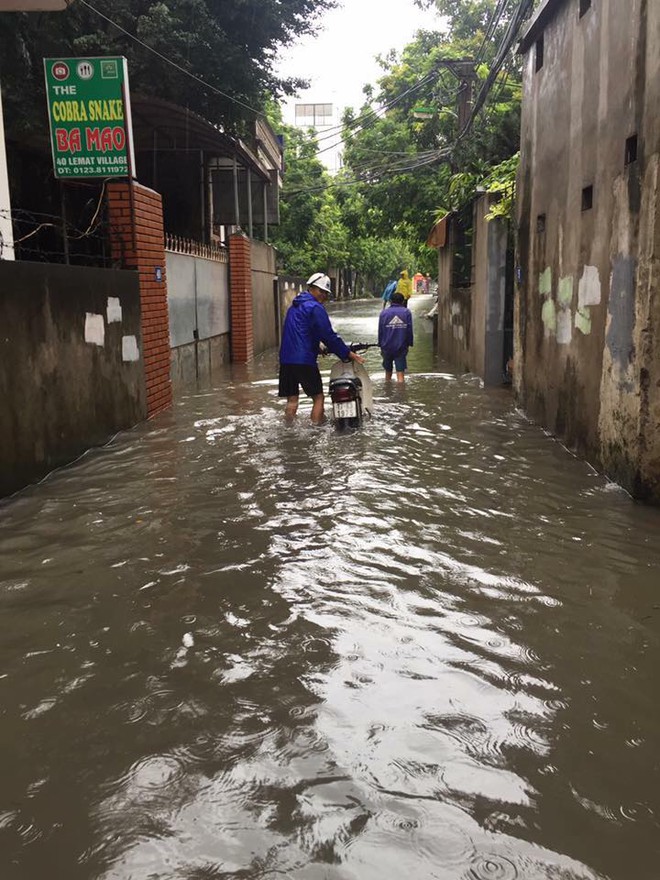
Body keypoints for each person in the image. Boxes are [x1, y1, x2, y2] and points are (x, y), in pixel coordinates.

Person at [279, 272, 365, 425]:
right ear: (311, 289)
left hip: (286, 360)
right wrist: (348, 353)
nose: (324, 295)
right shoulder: (315, 307)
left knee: (292, 400)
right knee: (318, 397)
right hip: (304, 361)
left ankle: (287, 432)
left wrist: (317, 346)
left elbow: (299, 333)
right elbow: (329, 336)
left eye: (326, 293)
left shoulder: (294, 306)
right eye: (321, 291)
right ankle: (316, 431)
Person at [378, 291, 413, 384]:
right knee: (400, 374)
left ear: (390, 301)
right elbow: (409, 330)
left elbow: (380, 331)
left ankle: (387, 390)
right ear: (402, 302)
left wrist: (380, 344)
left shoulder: (383, 313)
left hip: (386, 346)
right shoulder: (406, 312)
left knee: (387, 373)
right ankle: (401, 394)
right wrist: (410, 343)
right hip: (401, 346)